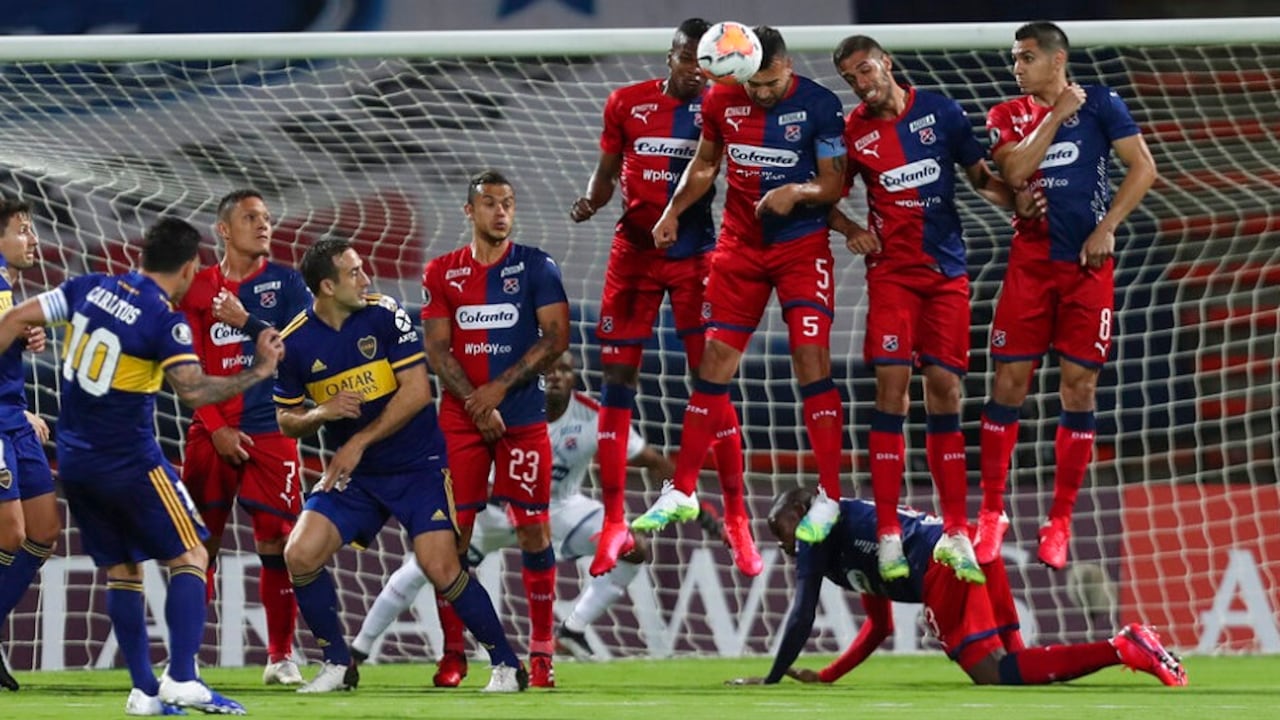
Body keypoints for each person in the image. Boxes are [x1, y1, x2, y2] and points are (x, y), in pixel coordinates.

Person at [0, 217, 282, 715]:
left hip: (76, 460)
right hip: (129, 460)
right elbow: (193, 390)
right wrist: (258, 371)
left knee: (123, 571)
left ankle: (144, 692)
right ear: (192, 266)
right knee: (192, 554)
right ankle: (182, 678)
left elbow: (15, 318)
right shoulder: (162, 318)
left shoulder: (90, 286)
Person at [632, 25, 849, 575]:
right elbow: (706, 165)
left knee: (810, 362)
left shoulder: (820, 105)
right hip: (738, 250)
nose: (763, 92)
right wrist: (671, 212)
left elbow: (834, 183)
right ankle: (681, 489)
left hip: (800, 249)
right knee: (713, 367)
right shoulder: (724, 95)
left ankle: (829, 494)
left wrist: (796, 191)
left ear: (786, 65)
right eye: (756, 84)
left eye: (772, 83)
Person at [276, 238, 528, 693]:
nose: (366, 278)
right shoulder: (294, 343)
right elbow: (286, 419)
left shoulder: (384, 314)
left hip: (418, 466)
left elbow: (417, 393)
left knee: (440, 566)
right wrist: (319, 414)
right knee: (299, 552)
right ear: (327, 286)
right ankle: (336, 663)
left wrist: (358, 441)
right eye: (353, 273)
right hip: (358, 478)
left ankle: (508, 665)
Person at [826, 35, 1028, 585]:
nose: (861, 84)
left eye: (865, 70)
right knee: (891, 388)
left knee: (947, 390)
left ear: (886, 62)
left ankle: (958, 531)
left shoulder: (941, 113)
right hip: (891, 276)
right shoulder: (853, 133)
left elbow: (980, 177)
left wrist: (1023, 203)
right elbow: (828, 194)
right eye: (851, 79)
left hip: (945, 276)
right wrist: (851, 231)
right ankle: (889, 532)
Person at [348, 351, 676, 673]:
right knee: (422, 567)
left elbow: (652, 460)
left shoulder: (594, 416)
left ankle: (573, 629)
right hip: (495, 510)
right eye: (549, 369)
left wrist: (681, 495)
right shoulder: (508, 409)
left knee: (633, 548)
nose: (557, 376)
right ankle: (359, 650)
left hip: (560, 509)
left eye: (565, 370)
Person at [976, 21, 1157, 570]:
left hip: (1086, 267)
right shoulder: (1006, 114)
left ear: (1057, 60)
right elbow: (1014, 169)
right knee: (1008, 383)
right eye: (1014, 59)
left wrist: (1107, 227)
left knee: (1079, 390)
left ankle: (1060, 521)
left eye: (1026, 57)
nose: (1017, 67)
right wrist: (1057, 115)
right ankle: (990, 514)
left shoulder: (1102, 104)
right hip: (1029, 266)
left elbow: (1143, 168)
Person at [568, 18, 734, 578]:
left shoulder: (721, 107)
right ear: (672, 55)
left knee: (709, 378)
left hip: (695, 257)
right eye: (688, 58)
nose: (695, 70)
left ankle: (733, 511)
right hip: (633, 257)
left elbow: (722, 172)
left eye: (704, 62)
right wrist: (592, 199)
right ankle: (613, 518)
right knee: (618, 382)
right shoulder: (626, 104)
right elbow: (607, 173)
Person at [729, 487, 1188, 688]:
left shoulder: (822, 533)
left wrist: (770, 678)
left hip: (945, 564)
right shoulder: (844, 539)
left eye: (784, 529)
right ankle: (1126, 647)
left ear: (808, 513)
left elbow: (802, 613)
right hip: (969, 548)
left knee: (993, 675)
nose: (785, 543)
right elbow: (879, 624)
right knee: (1017, 670)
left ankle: (1121, 647)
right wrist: (826, 675)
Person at [421, 169, 570, 688]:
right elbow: (437, 349)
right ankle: (455, 652)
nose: (500, 212)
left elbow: (555, 338)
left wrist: (497, 393)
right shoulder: (442, 272)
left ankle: (543, 652)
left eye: (507, 203)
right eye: (488, 203)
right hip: (459, 423)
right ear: (469, 212)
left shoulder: (537, 267)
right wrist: (475, 403)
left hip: (523, 419)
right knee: (450, 537)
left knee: (533, 528)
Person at [178, 189, 311, 685]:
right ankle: (186, 658)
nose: (263, 225)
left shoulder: (288, 283)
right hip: (210, 431)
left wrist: (247, 322)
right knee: (198, 546)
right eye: (250, 217)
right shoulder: (197, 288)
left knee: (278, 541)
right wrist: (215, 428)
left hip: (271, 429)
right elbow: (184, 368)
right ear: (223, 230)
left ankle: (279, 657)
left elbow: (297, 351)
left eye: (267, 218)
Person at [0, 199, 57, 693]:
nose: (32, 239)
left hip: (15, 418)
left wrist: (22, 333)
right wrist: (17, 327)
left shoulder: (7, 288)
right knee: (13, 533)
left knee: (44, 528)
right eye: (22, 230)